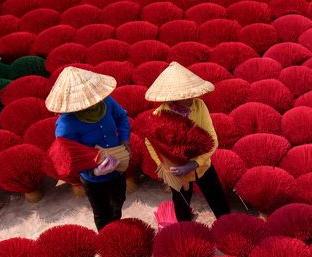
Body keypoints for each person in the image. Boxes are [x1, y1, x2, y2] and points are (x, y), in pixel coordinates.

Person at [143, 62, 230, 222]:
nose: (191, 97)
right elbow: (150, 143)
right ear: (174, 96)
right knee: (182, 206)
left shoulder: (199, 106)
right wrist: (165, 167)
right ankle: (185, 230)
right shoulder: (159, 115)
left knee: (219, 200)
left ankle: (227, 226)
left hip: (202, 166)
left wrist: (194, 164)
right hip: (177, 172)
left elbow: (213, 140)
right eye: (186, 95)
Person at [46, 66, 131, 230]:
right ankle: (106, 236)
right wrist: (95, 171)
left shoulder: (107, 102)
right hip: (94, 179)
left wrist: (124, 140)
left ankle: (116, 227)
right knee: (102, 213)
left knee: (119, 201)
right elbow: (68, 156)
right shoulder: (66, 125)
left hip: (118, 167)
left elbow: (122, 118)